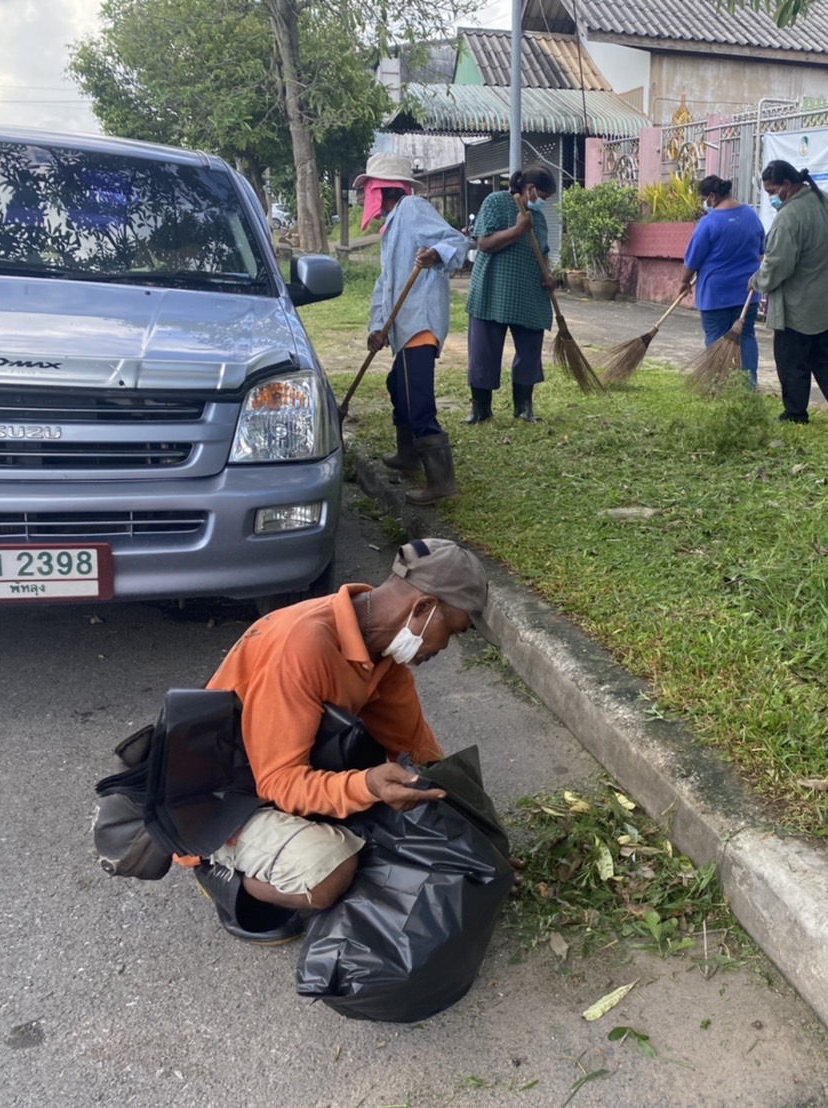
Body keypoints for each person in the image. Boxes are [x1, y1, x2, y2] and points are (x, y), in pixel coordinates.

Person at [189, 538, 500, 943]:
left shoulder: (382, 651)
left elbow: (418, 751)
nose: (443, 647)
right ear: (423, 610)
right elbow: (279, 783)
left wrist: (479, 847)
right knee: (332, 875)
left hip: (278, 770)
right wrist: (366, 786)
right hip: (222, 797)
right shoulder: (301, 646)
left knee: (395, 819)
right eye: (453, 632)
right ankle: (218, 872)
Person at [355, 154, 469, 507]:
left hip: (419, 320)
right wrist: (378, 327)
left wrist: (436, 253)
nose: (363, 198)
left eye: (368, 190)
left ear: (383, 190)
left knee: (417, 400)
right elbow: (385, 284)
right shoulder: (392, 225)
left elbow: (458, 242)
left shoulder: (413, 207)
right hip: (402, 325)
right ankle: (408, 454)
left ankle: (441, 480)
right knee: (397, 385)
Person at [752, 160, 828, 425]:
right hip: (824, 303)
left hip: (797, 305)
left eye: (773, 192)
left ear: (787, 184)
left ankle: (795, 414)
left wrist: (757, 281)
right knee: (826, 358)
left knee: (791, 362)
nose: (773, 198)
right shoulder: (825, 201)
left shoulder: (789, 217)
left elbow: (778, 264)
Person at [464, 164, 558, 424]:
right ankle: (480, 408)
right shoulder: (495, 201)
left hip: (528, 293)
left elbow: (545, 251)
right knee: (484, 351)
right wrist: (517, 230)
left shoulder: (537, 218)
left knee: (530, 350)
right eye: (543, 196)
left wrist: (548, 275)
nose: (543, 204)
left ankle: (523, 406)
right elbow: (483, 243)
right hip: (493, 290)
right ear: (529, 189)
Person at [680, 174, 765, 387]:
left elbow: (693, 259)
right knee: (746, 336)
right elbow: (762, 250)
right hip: (748, 292)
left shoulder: (708, 223)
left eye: (703, 198)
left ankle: (718, 384)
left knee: (716, 338)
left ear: (712, 197)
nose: (704, 203)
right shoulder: (750, 216)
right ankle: (748, 385)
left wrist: (684, 281)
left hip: (715, 294)